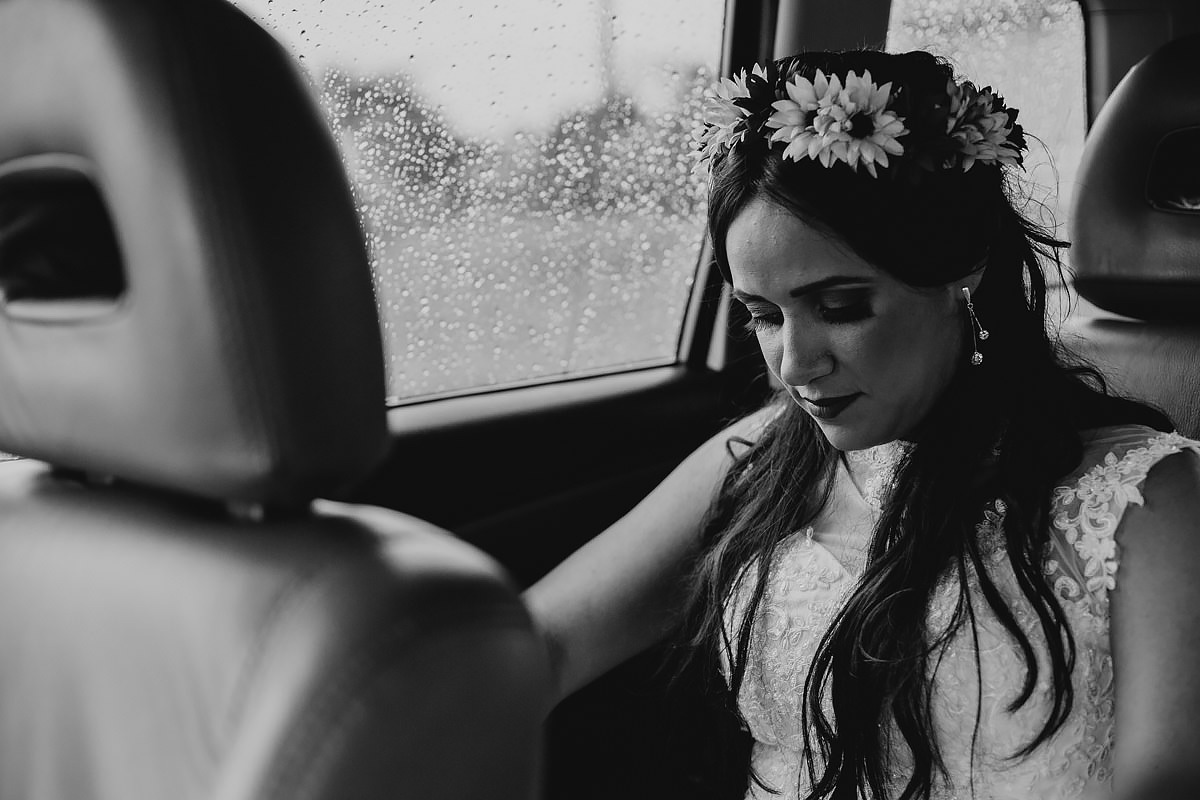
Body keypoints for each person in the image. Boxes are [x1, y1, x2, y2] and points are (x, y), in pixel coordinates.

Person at [523, 49, 1200, 800]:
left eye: (839, 308)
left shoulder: (1146, 503)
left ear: (962, 268)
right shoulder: (762, 461)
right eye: (762, 316)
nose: (793, 364)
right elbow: (540, 646)